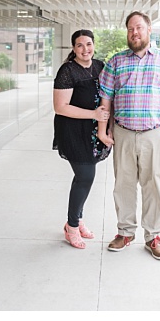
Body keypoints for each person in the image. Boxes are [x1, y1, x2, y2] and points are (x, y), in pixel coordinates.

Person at [97, 11, 160, 260]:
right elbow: (106, 98)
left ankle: (153, 235)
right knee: (123, 186)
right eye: (130, 29)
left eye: (138, 28)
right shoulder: (115, 61)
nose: (134, 33)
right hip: (123, 133)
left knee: (153, 186)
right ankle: (125, 232)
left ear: (149, 29)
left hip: (155, 134)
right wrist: (102, 130)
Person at [53, 29, 111, 249]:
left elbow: (107, 96)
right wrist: (93, 115)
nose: (85, 49)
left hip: (93, 131)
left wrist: (106, 127)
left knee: (84, 179)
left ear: (93, 45)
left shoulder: (99, 66)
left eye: (88, 44)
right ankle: (72, 226)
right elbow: (60, 107)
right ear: (73, 48)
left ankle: (77, 219)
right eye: (79, 45)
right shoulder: (67, 71)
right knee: (85, 176)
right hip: (73, 131)